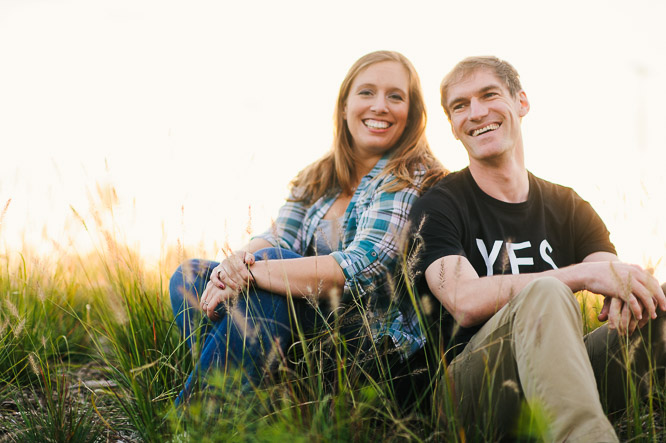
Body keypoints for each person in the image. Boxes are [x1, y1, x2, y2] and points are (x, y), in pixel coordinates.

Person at [407, 56, 666, 441]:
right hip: (470, 393)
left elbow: (611, 274)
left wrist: (630, 292)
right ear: (453, 127)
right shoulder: (438, 205)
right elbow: (463, 299)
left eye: (488, 95)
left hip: (562, 373)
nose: (476, 113)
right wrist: (577, 274)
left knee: (660, 306)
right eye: (460, 105)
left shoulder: (568, 204)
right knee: (544, 292)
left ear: (521, 103)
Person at [169, 50, 445, 405]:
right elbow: (277, 235)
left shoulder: (412, 176)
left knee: (270, 270)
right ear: (344, 106)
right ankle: (256, 405)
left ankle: (199, 418)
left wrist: (255, 272)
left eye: (396, 96)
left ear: (412, 114)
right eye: (366, 93)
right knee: (192, 276)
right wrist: (231, 267)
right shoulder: (319, 176)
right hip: (304, 331)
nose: (380, 105)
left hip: (370, 350)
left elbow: (360, 267)